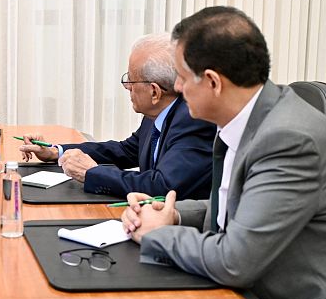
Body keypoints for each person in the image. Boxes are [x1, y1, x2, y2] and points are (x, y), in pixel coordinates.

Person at [121, 6, 326, 299]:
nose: (176, 88)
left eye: (181, 77)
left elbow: (234, 261)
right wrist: (173, 214)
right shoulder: (248, 119)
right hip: (259, 291)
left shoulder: (287, 138)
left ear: (212, 82)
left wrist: (157, 235)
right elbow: (237, 206)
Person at [19, 33, 215, 200]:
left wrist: (91, 173)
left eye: (131, 80)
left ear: (154, 92)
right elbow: (126, 150)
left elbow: (162, 186)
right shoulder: (158, 111)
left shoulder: (193, 121)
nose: (127, 86)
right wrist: (56, 152)